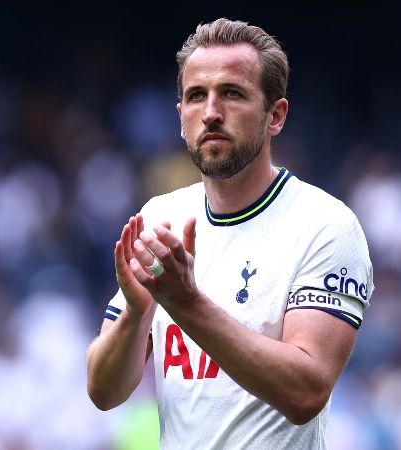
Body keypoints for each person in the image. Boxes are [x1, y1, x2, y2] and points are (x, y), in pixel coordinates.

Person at [85, 18, 373, 449]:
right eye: (196, 96)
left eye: (232, 93)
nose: (211, 112)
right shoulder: (160, 217)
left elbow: (306, 392)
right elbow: (104, 392)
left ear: (275, 116)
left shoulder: (325, 225)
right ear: (181, 116)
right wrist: (135, 311)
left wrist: (186, 303)